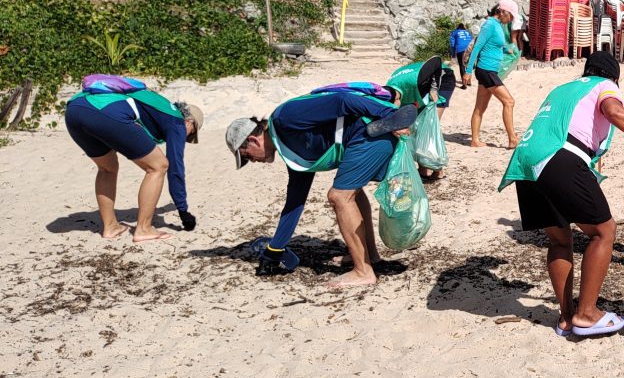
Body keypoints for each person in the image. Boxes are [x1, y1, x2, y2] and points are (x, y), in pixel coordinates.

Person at [499, 53, 624, 337]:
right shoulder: (603, 84)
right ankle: (586, 314)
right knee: (604, 232)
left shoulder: (564, 88)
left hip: (525, 162)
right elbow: (614, 112)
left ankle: (565, 317)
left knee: (560, 240)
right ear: (613, 77)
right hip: (559, 156)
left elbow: (575, 126)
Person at [225, 83, 417, 288]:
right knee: (351, 193)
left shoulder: (285, 118)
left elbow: (341, 101)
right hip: (364, 139)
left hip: (373, 133)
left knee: (340, 196)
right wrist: (275, 249)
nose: (252, 162)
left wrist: (390, 116)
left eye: (247, 157)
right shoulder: (289, 150)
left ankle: (363, 271)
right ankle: (369, 257)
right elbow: (295, 202)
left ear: (253, 140)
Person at [65, 76, 203, 241]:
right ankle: (143, 229)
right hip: (104, 110)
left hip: (75, 108)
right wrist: (183, 210)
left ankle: (110, 227)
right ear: (189, 122)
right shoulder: (177, 122)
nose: (186, 138)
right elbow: (175, 168)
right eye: (191, 135)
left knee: (107, 168)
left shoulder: (158, 105)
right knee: (158, 166)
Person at [385, 56, 452, 180]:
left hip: (442, 78)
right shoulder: (389, 90)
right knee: (415, 127)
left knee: (429, 128)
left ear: (397, 99)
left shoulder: (410, 82)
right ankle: (423, 170)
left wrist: (434, 88)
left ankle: (438, 170)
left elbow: (436, 63)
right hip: (419, 87)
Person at [464, 0, 520, 148]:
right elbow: (478, 47)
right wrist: (468, 71)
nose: (511, 20)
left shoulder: (498, 26)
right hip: (486, 70)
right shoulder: (490, 25)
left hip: (489, 70)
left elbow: (492, 46)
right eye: (511, 16)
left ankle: (474, 140)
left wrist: (505, 48)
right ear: (503, 12)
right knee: (509, 102)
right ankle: (512, 139)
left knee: (480, 107)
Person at [450, 23, 474, 88]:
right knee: (469, 65)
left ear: (457, 27)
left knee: (462, 66)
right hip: (470, 49)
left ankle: (464, 84)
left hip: (460, 49)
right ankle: (469, 81)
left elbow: (452, 44)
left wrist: (453, 53)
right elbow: (472, 40)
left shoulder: (454, 32)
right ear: (464, 28)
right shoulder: (468, 32)